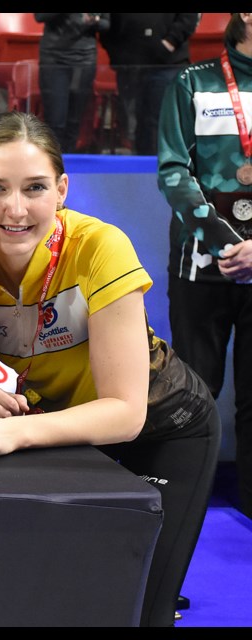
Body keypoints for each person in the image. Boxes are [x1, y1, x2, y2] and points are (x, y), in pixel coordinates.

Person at [0, 110, 221, 627]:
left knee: (141, 606)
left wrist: (16, 431)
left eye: (34, 188)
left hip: (165, 427)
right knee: (62, 593)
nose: (15, 209)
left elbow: (125, 413)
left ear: (62, 189)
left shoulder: (100, 247)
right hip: (68, 431)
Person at [157, 12, 252, 521]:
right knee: (194, 391)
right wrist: (226, 243)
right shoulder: (190, 83)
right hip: (202, 261)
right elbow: (173, 171)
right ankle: (179, 510)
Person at [101, 13, 199, 155]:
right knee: (133, 124)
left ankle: (170, 168)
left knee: (165, 122)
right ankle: (141, 166)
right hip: (129, 65)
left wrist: (170, 42)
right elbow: (106, 25)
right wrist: (117, 54)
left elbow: (188, 17)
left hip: (168, 63)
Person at [34, 13, 110, 153]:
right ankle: (53, 161)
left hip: (84, 59)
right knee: (56, 119)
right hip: (54, 58)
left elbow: (106, 24)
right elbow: (39, 17)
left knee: (74, 120)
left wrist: (94, 21)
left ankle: (69, 160)